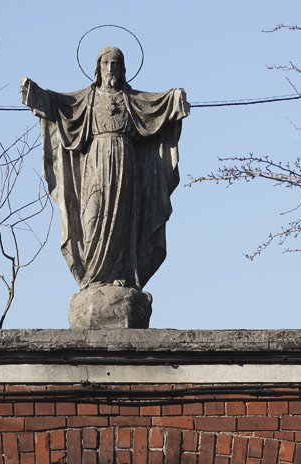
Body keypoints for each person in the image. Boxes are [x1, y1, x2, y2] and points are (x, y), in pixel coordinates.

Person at [20, 48, 189, 291]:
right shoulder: (87, 98)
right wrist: (34, 93)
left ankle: (120, 274)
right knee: (92, 215)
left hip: (124, 163)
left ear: (122, 70)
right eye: (106, 63)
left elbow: (156, 106)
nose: (111, 68)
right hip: (95, 163)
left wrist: (174, 98)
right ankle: (93, 275)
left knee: (122, 220)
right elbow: (61, 104)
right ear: (98, 68)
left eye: (116, 64)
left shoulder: (130, 99)